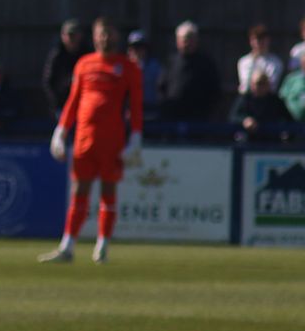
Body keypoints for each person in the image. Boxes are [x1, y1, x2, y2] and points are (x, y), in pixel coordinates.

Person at [40, 18, 144, 265]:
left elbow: (137, 106)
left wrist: (136, 137)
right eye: (101, 34)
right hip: (84, 139)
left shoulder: (127, 67)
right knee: (79, 191)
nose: (104, 38)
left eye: (109, 34)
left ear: (116, 37)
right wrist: (61, 131)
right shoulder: (84, 64)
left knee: (108, 192)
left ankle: (103, 246)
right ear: (95, 37)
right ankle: (67, 246)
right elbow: (74, 101)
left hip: (112, 140)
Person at [161, 21, 221, 122]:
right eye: (183, 40)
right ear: (177, 41)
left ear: (196, 40)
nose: (186, 43)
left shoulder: (206, 63)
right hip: (172, 118)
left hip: (198, 119)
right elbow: (161, 87)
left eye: (190, 39)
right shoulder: (170, 62)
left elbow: (214, 91)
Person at [42, 18, 88, 116]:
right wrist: (56, 103)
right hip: (62, 106)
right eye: (69, 35)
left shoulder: (87, 55)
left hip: (83, 104)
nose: (71, 38)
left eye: (74, 35)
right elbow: (48, 81)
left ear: (80, 36)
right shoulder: (56, 55)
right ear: (62, 36)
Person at [236, 23, 283, 99]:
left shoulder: (276, 62)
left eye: (262, 39)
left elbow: (272, 86)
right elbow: (245, 86)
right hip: (248, 99)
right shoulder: (244, 61)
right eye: (256, 39)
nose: (259, 43)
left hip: (268, 100)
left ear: (268, 40)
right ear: (251, 41)